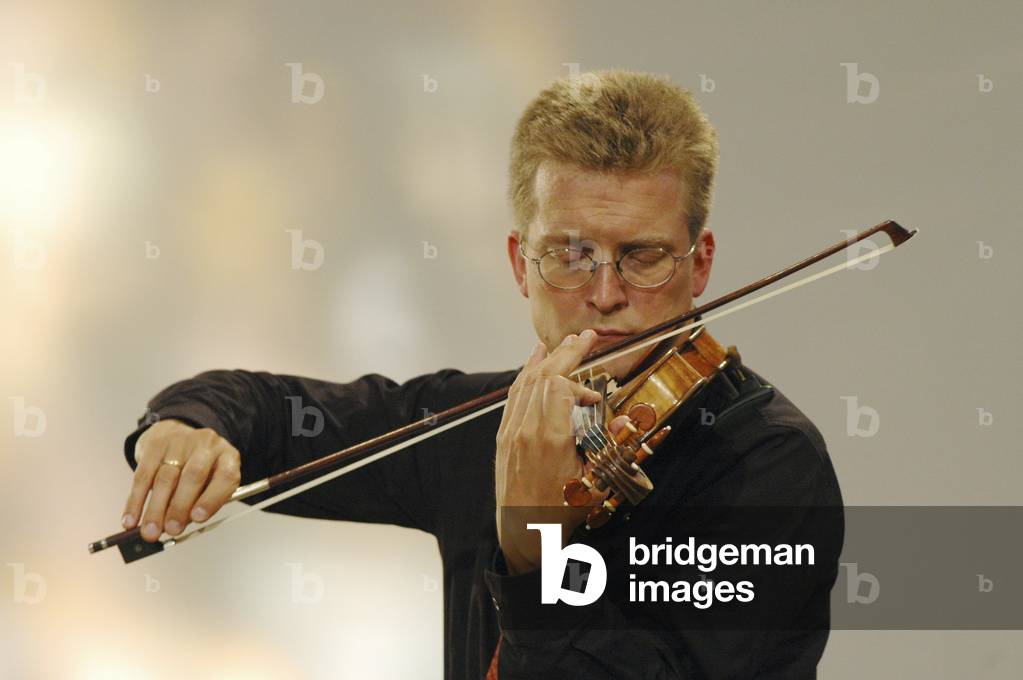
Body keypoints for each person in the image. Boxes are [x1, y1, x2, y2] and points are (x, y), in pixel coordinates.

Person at [118, 70, 844, 679]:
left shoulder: (766, 463)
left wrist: (540, 551)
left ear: (701, 263)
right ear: (517, 265)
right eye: (569, 253)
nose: (603, 293)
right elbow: (277, 412)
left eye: (643, 255)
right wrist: (192, 423)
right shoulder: (487, 422)